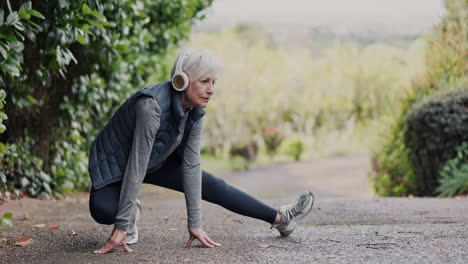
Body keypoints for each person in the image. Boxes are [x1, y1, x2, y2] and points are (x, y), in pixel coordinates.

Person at [88, 48, 314, 254]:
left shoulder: (195, 111)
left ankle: (280, 218)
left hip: (156, 160)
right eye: (205, 81)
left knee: (213, 185)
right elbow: (136, 165)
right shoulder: (151, 106)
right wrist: (121, 225)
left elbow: (191, 166)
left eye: (213, 82)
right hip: (118, 161)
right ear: (181, 80)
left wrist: (194, 224)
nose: (211, 90)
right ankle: (129, 213)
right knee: (104, 211)